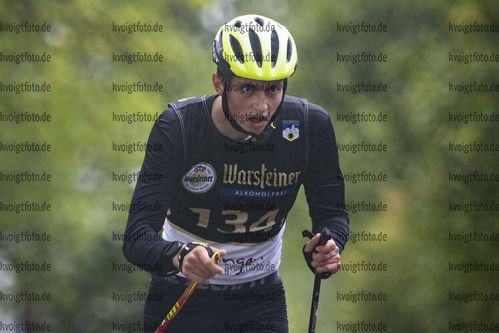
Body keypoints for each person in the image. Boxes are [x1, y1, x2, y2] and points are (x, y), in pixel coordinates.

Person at [123, 14, 349, 333]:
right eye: (247, 88)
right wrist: (179, 255)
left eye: (273, 89)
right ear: (219, 83)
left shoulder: (310, 127)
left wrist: (329, 245)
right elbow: (136, 238)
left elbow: (333, 216)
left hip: (259, 301)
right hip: (181, 294)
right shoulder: (179, 127)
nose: (261, 106)